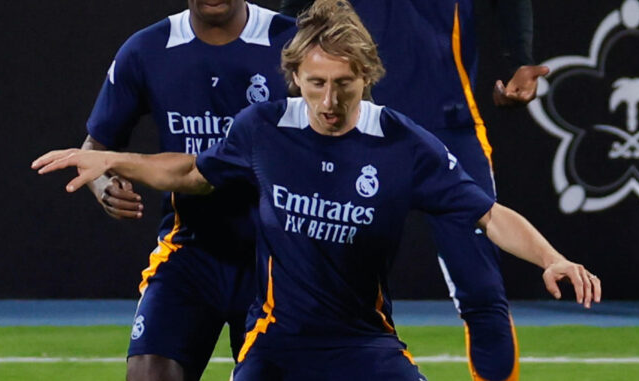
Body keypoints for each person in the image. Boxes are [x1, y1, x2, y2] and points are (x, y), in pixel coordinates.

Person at [33, 1, 601, 380]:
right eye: (316, 85)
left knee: (480, 295)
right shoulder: (263, 126)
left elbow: (490, 215)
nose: (329, 102)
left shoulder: (403, 142)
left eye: (344, 86)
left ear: (368, 79)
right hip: (272, 336)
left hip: (365, 344)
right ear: (296, 77)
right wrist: (109, 160)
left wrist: (553, 258)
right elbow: (189, 174)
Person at [278, 0, 550, 379]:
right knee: (314, 288)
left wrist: (518, 58)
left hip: (449, 124)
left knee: (481, 289)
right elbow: (292, 13)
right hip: (350, 125)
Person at [81, 0, 296, 379]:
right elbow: (95, 149)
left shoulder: (294, 43)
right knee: (147, 373)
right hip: (190, 253)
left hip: (278, 257)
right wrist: (104, 186)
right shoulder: (146, 49)